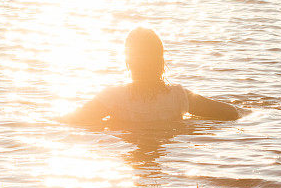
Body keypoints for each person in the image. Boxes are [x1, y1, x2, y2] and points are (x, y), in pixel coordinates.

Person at [59, 27, 239, 128]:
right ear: (161, 62)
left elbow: (74, 119)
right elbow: (230, 113)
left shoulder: (113, 97)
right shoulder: (178, 97)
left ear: (128, 63)